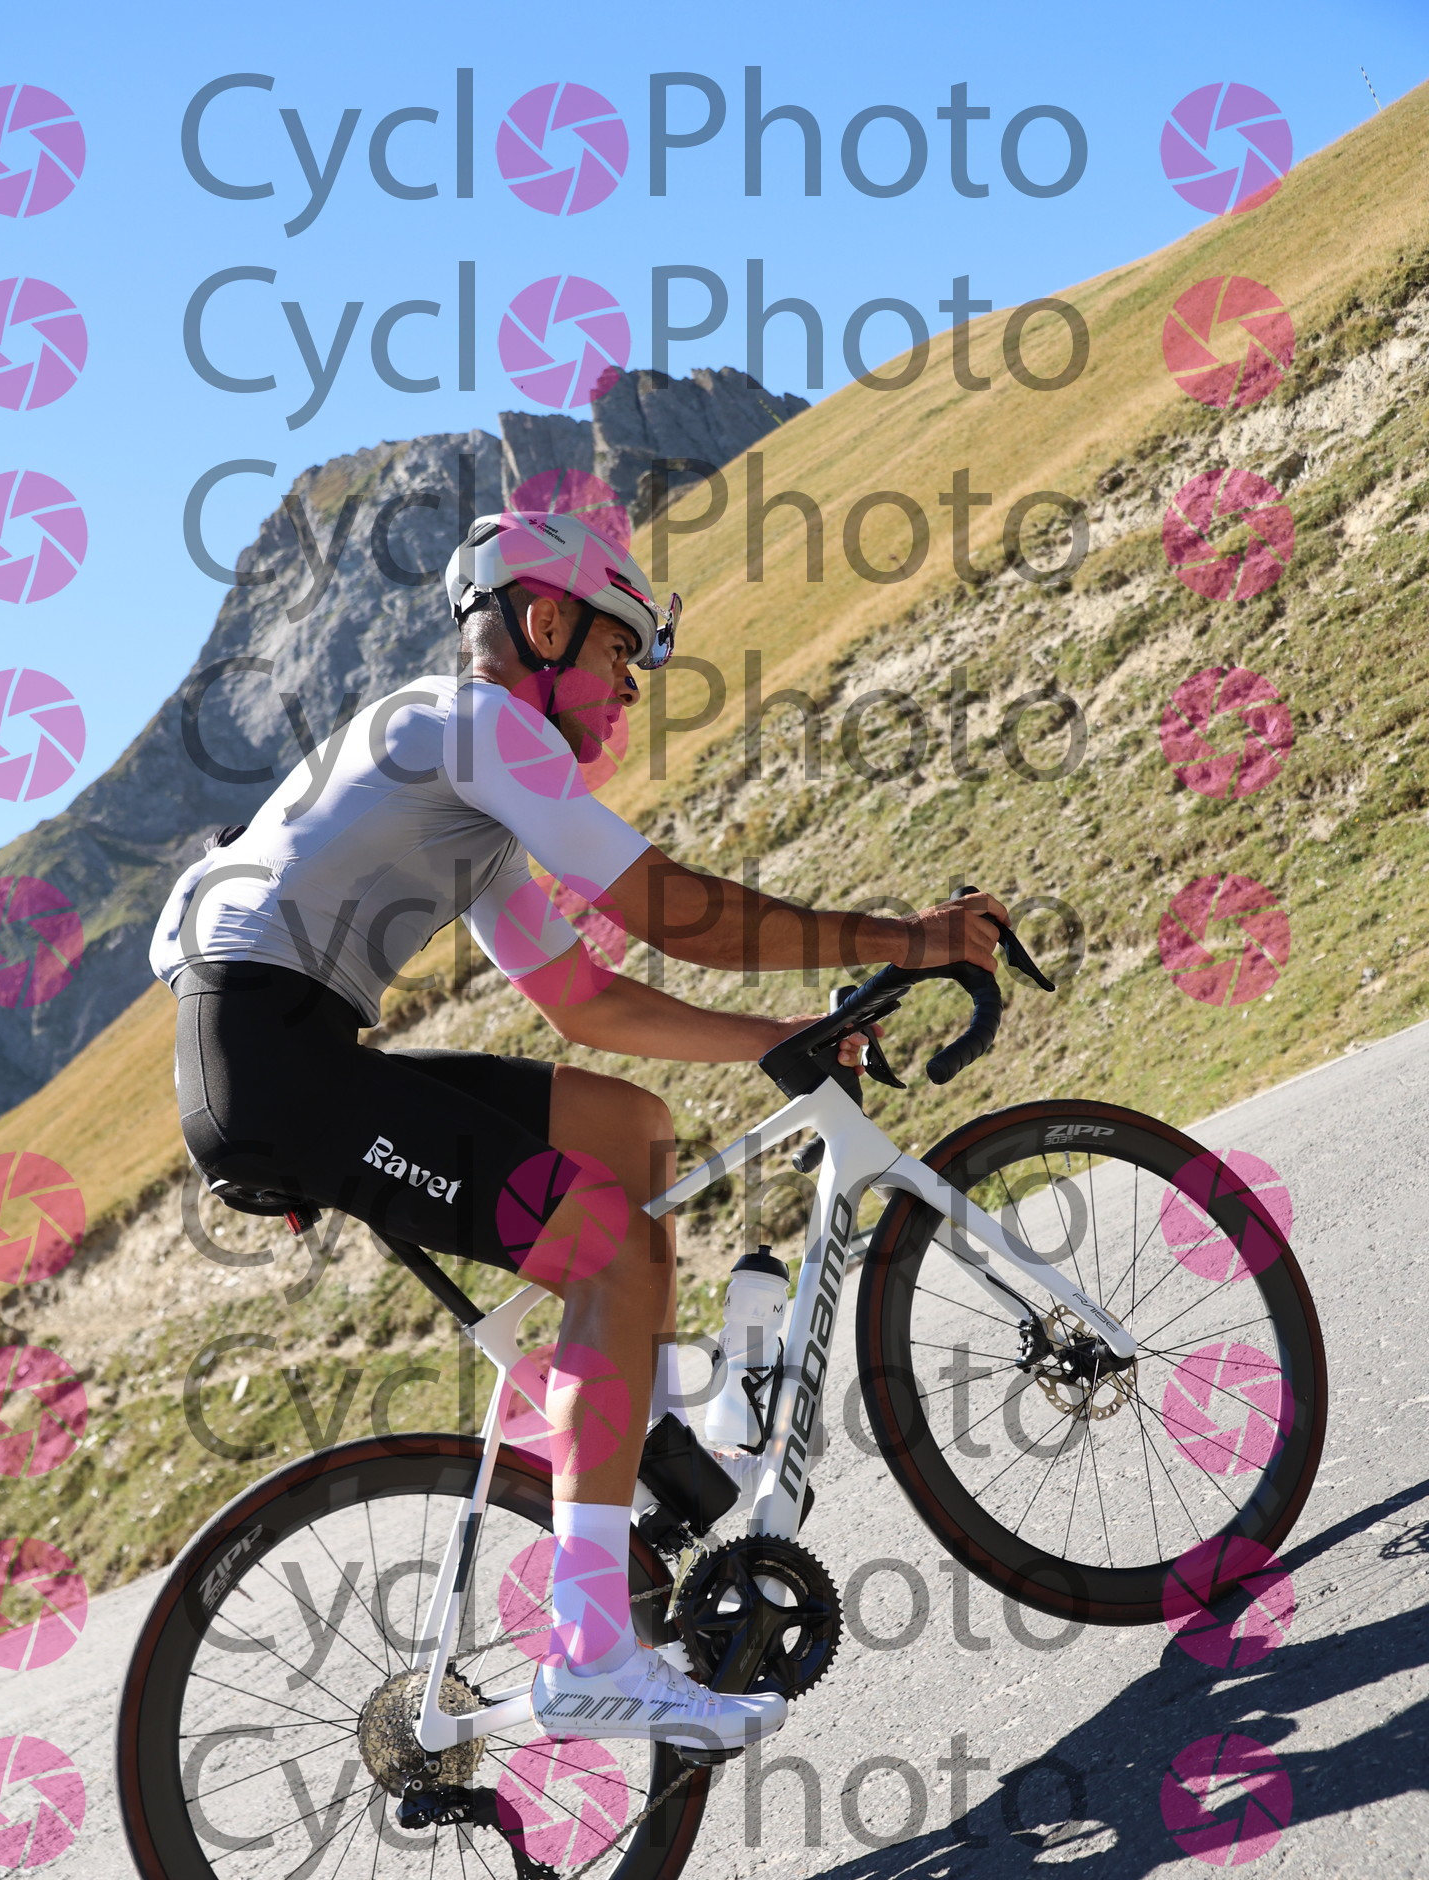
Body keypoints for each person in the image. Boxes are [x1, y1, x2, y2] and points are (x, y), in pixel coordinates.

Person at [150, 510, 1006, 1751]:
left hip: (278, 1054)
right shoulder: (479, 724)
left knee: (627, 1127)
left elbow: (584, 1000)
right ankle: (591, 1648)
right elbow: (671, 913)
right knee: (606, 1242)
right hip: (275, 1064)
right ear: (544, 622)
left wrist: (774, 1037)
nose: (630, 687)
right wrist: (903, 939)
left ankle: (644, 1443)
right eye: (618, 652)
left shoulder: (459, 782)